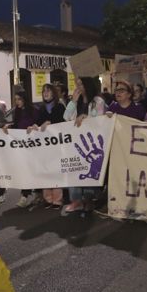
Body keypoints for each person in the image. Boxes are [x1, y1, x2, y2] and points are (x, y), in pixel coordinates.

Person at [62, 77, 107, 215]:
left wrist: (85, 118)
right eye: (77, 84)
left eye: (81, 84)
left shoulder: (98, 101)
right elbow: (66, 117)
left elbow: (100, 119)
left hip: (91, 142)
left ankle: (89, 199)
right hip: (76, 142)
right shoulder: (78, 101)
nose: (78, 86)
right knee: (75, 169)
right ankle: (76, 200)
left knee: (90, 170)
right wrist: (73, 101)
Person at [31, 83, 67, 208]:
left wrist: (50, 123)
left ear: (54, 93)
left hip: (56, 145)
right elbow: (39, 123)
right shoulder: (41, 108)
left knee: (56, 171)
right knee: (45, 171)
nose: (45, 93)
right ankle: (48, 199)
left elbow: (63, 123)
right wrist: (35, 126)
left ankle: (57, 200)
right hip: (44, 146)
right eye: (43, 91)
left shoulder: (60, 107)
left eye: (48, 91)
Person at [9, 90, 41, 208]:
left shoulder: (34, 110)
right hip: (22, 144)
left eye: (19, 99)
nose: (17, 102)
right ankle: (25, 195)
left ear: (24, 99)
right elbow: (16, 125)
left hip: (33, 144)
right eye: (16, 99)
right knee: (25, 170)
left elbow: (39, 124)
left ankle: (37, 193)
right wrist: (9, 126)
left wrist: (33, 127)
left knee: (34, 169)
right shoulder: (17, 111)